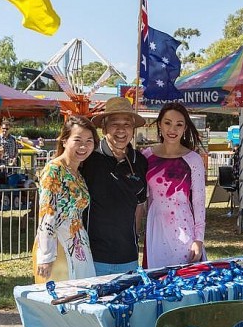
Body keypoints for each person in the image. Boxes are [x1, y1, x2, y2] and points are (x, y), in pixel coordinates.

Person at [82, 97, 148, 276]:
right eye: (114, 123)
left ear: (133, 129)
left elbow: (139, 205)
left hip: (129, 256)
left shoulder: (140, 161)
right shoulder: (88, 158)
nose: (121, 130)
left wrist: (134, 236)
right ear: (104, 127)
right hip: (92, 256)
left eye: (127, 124)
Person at [33, 115, 98, 282]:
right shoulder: (54, 169)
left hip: (79, 244)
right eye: (77, 140)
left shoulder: (78, 174)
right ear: (64, 141)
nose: (83, 146)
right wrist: (46, 256)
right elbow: (47, 213)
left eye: (89, 140)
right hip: (57, 246)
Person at [142, 103, 206, 270]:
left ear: (185, 128)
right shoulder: (146, 156)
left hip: (184, 228)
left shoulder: (193, 159)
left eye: (179, 124)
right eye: (168, 123)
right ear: (159, 125)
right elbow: (143, 198)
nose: (173, 129)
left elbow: (199, 203)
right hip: (155, 227)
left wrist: (198, 239)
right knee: (157, 282)